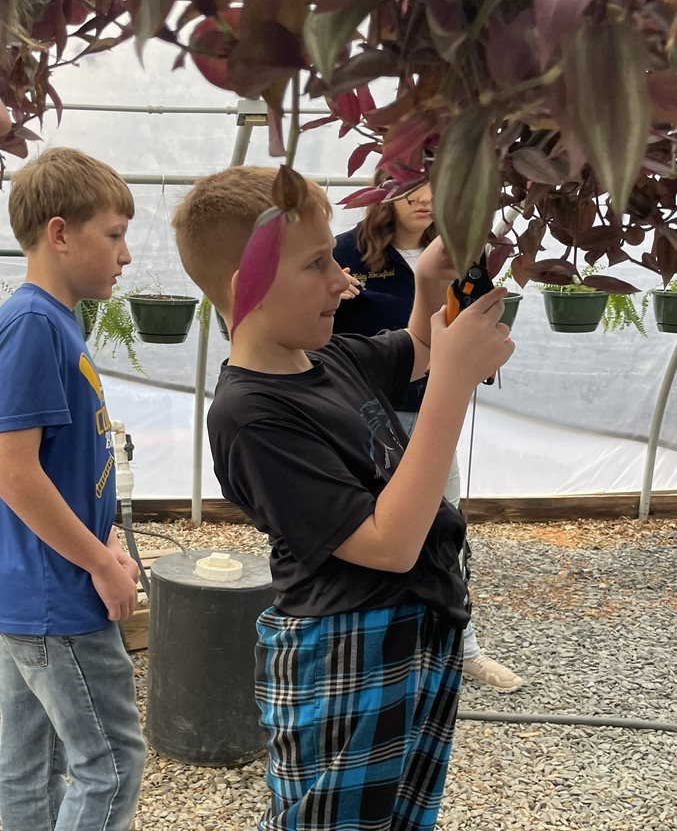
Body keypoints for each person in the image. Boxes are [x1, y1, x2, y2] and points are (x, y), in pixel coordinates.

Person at [172, 164, 514, 831]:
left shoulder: (327, 359)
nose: (343, 279)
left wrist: (428, 287)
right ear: (250, 288)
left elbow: (416, 347)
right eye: (317, 263)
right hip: (346, 651)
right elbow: (386, 546)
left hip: (416, 629)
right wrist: (453, 381)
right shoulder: (250, 413)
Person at [0, 147, 146, 831]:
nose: (123, 255)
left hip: (33, 591)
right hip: (59, 596)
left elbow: (58, 463)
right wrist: (96, 564)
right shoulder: (33, 326)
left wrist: (107, 536)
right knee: (112, 763)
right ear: (60, 234)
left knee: (27, 766)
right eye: (113, 235)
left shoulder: (57, 322)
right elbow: (14, 473)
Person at [332, 178, 523, 693]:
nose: (423, 198)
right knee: (369, 534)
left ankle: (463, 649)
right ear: (384, 192)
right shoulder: (348, 252)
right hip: (366, 419)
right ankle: (380, 654)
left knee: (444, 534)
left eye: (438, 187)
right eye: (411, 186)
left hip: (430, 416)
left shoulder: (459, 255)